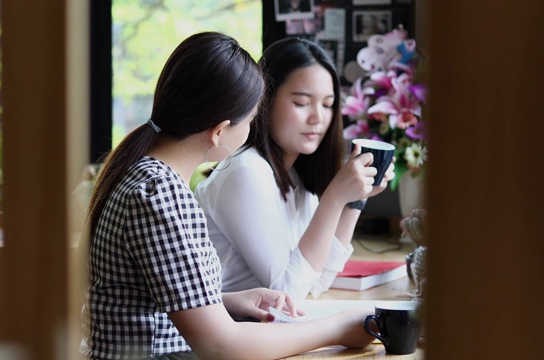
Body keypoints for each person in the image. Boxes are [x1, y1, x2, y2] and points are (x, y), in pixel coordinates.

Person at [81, 32, 376, 360]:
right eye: (250, 121)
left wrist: (227, 300)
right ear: (219, 131)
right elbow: (221, 347)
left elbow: (146, 300)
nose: (252, 131)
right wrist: (338, 328)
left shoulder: (148, 176)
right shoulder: (159, 194)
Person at [194, 37, 395, 300]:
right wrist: (333, 199)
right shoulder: (246, 170)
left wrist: (354, 201)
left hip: (260, 330)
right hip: (228, 334)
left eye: (328, 104)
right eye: (301, 103)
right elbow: (287, 292)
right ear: (264, 100)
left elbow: (318, 280)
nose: (318, 118)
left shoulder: (295, 177)